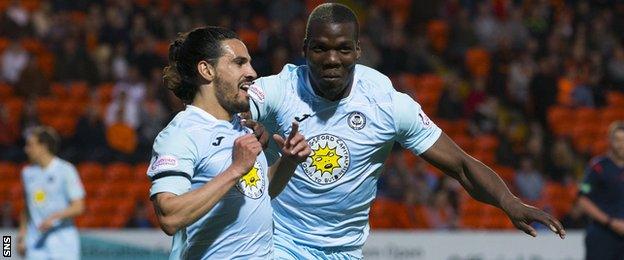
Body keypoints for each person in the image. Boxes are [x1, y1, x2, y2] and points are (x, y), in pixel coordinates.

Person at [248, 3, 565, 259]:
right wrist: (244, 125)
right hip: (279, 240)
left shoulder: (388, 104)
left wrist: (508, 202)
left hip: (345, 250)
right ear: (305, 49)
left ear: (358, 50)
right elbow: (219, 109)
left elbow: (462, 165)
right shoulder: (279, 90)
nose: (332, 59)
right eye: (320, 49)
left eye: (343, 49)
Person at [149, 26, 310, 259]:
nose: (252, 72)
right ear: (207, 70)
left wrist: (288, 161)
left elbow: (260, 191)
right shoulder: (180, 134)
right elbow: (169, 217)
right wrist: (235, 170)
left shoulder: (241, 127)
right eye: (239, 63)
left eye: (250, 63)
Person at [17, 126, 85, 260]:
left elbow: (79, 207)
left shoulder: (66, 170)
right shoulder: (27, 173)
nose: (26, 149)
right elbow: (27, 207)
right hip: (35, 241)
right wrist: (21, 235)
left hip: (63, 241)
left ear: (43, 146)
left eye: (30, 145)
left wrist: (54, 218)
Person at [578, 121, 624, 260]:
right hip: (602, 235)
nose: (621, 144)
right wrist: (610, 222)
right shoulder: (598, 167)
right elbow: (583, 198)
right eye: (617, 140)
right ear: (610, 141)